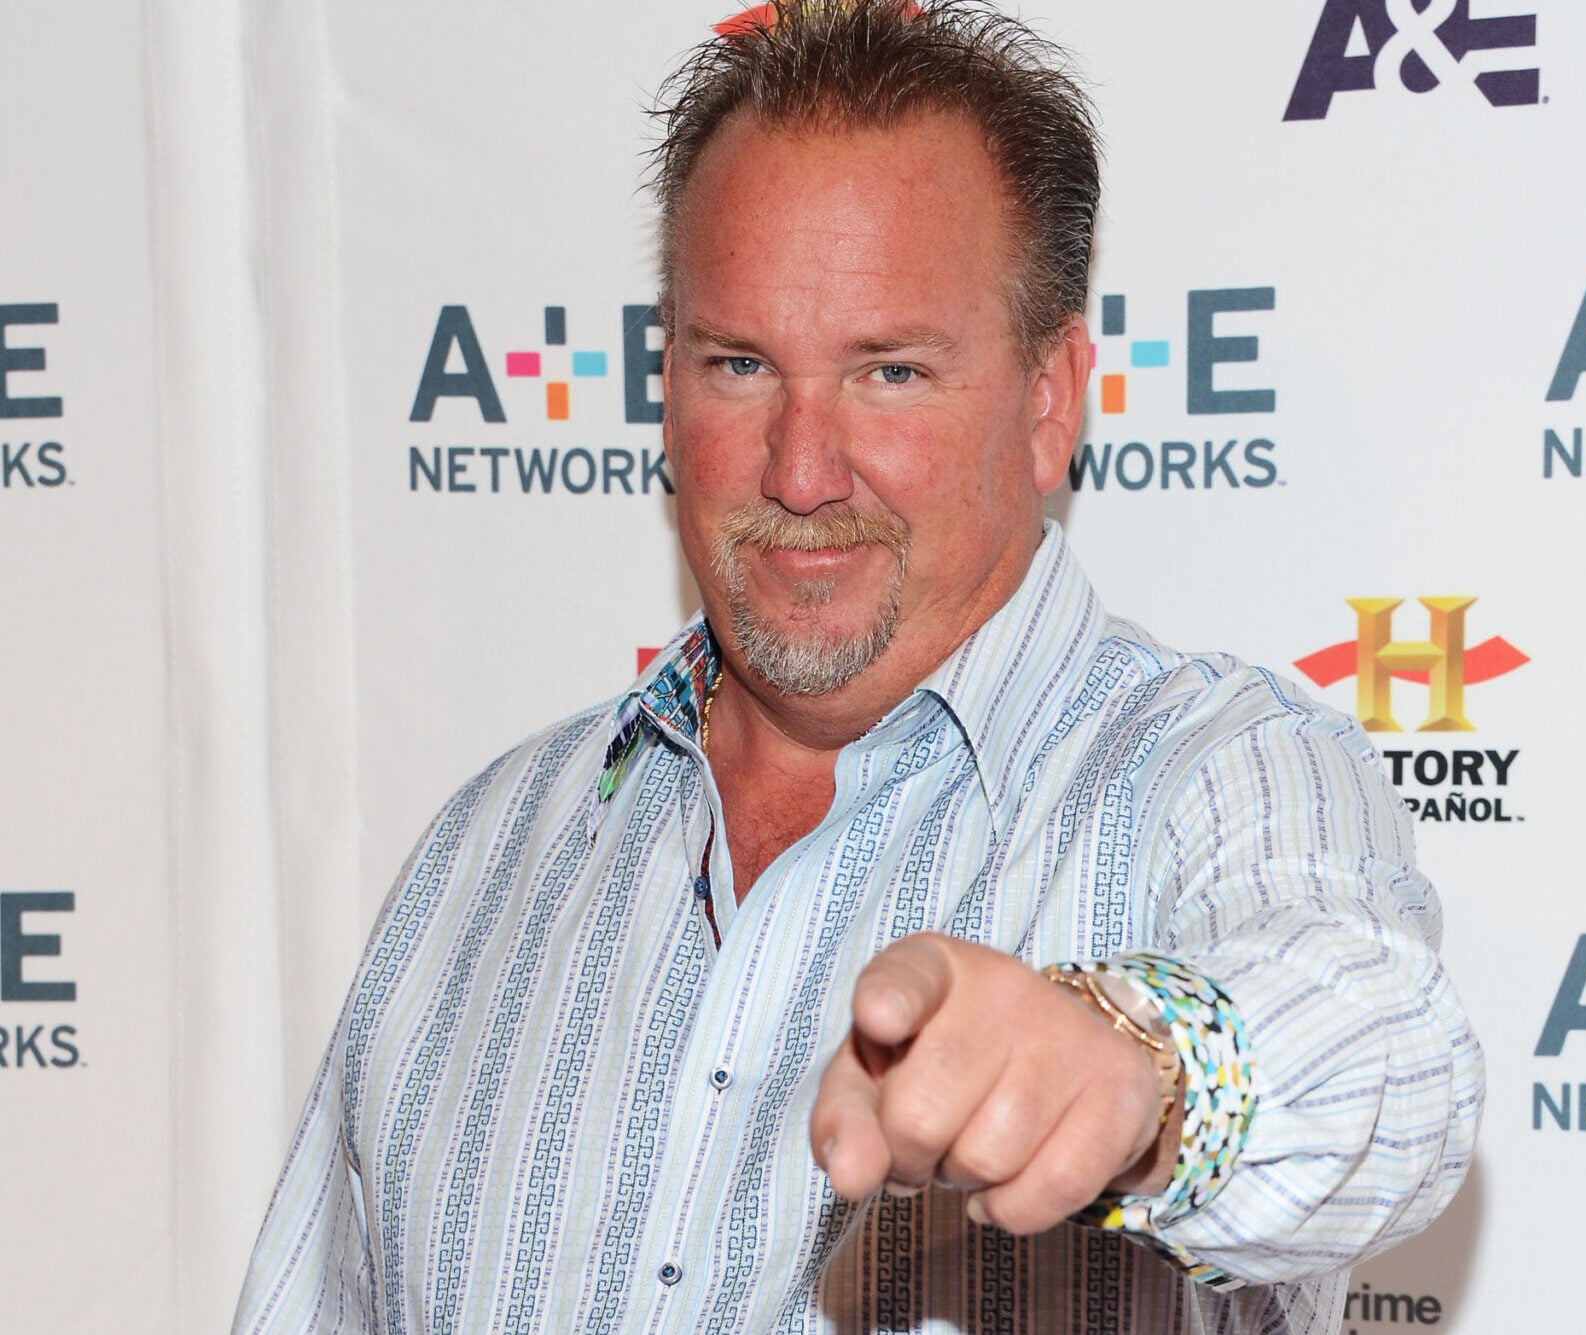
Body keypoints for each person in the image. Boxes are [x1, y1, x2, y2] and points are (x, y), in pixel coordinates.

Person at [234, 3, 1482, 1331]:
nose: (800, 470)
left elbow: (1387, 1061)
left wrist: (1142, 1068)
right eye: (739, 365)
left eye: (889, 373)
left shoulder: (1217, 775)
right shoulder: (490, 846)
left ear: (1049, 398)